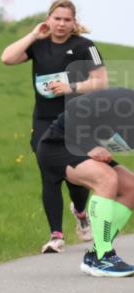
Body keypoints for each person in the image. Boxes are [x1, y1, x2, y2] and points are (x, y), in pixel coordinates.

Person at [0, 0, 108, 253]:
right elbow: (7, 58)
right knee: (49, 174)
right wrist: (33, 34)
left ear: (74, 22)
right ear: (48, 19)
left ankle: (81, 212)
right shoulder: (38, 45)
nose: (61, 24)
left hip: (77, 121)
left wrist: (72, 88)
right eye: (56, 18)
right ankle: (56, 235)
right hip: (44, 121)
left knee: (76, 180)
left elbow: (100, 81)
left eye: (66, 20)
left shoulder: (84, 47)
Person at [36, 88, 134, 276]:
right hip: (59, 144)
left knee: (131, 188)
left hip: (82, 147)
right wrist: (90, 146)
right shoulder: (126, 102)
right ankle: (103, 258)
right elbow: (75, 107)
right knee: (106, 178)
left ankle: (96, 253)